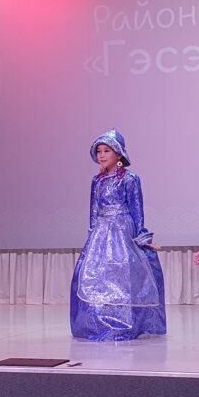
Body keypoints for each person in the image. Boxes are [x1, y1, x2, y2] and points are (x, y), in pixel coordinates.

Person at [70, 129, 167, 341]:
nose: (102, 155)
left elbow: (136, 210)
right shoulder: (97, 181)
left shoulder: (130, 179)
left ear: (118, 153)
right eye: (99, 151)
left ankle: (126, 323)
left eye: (106, 151)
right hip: (100, 233)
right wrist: (92, 236)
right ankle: (97, 324)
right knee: (95, 277)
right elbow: (94, 211)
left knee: (123, 276)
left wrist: (142, 238)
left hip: (122, 230)